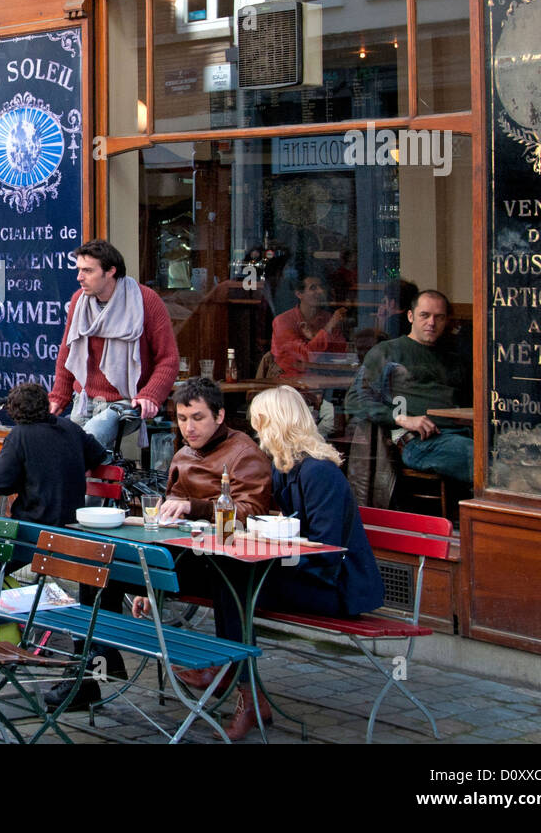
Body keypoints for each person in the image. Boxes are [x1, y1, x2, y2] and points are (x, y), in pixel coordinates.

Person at [137, 384, 385, 740]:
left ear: (277, 423)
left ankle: (235, 681)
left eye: (260, 423)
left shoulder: (320, 473)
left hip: (337, 586)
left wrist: (270, 556)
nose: (256, 433)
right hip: (304, 574)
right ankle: (238, 683)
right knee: (228, 573)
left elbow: (326, 552)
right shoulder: (287, 469)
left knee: (235, 580)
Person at [48, 239, 179, 451]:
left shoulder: (145, 301)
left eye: (88, 271)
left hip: (124, 401)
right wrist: (59, 397)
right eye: (79, 270)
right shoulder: (79, 302)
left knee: (81, 447)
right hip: (84, 399)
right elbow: (67, 352)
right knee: (65, 450)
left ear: (110, 271)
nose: (79, 277)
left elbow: (168, 359)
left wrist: (150, 395)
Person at [346, 289, 472, 485]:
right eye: (425, 315)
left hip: (462, 434)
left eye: (439, 317)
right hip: (420, 441)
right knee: (482, 460)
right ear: (411, 316)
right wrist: (402, 419)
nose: (431, 322)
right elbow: (355, 399)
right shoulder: (387, 351)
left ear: (446, 320)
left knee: (505, 455)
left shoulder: (454, 359)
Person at [0, 382, 104, 525]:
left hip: (34, 524)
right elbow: (99, 454)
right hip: (72, 522)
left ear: (13, 411)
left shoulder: (20, 435)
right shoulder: (70, 426)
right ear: (46, 403)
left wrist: (24, 480)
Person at [162, 376, 273, 525]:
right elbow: (174, 500)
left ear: (219, 416)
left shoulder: (245, 454)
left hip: (229, 542)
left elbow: (252, 512)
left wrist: (195, 508)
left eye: (198, 418)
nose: (189, 428)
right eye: (182, 419)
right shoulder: (182, 455)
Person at [271, 274, 350, 376]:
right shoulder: (283, 321)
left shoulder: (328, 318)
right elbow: (305, 355)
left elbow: (340, 354)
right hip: (291, 384)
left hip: (325, 381)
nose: (320, 291)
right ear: (299, 294)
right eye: (313, 288)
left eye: (321, 287)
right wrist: (328, 328)